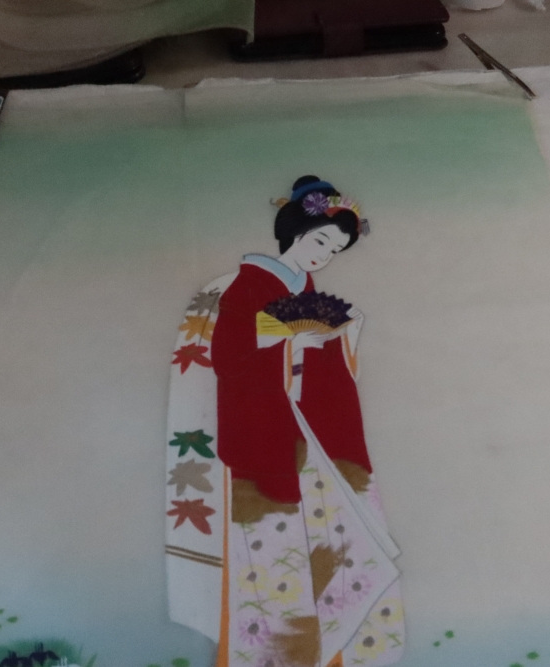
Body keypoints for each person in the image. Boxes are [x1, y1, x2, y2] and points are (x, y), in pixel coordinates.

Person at [166, 176, 403, 667]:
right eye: (320, 241)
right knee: (274, 557)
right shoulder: (247, 285)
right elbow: (228, 358)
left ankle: (328, 654)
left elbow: (313, 355)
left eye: (334, 250)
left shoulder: (304, 289)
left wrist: (334, 337)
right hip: (264, 438)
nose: (323, 256)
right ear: (295, 232)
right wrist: (290, 342)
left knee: (328, 544)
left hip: (306, 435)